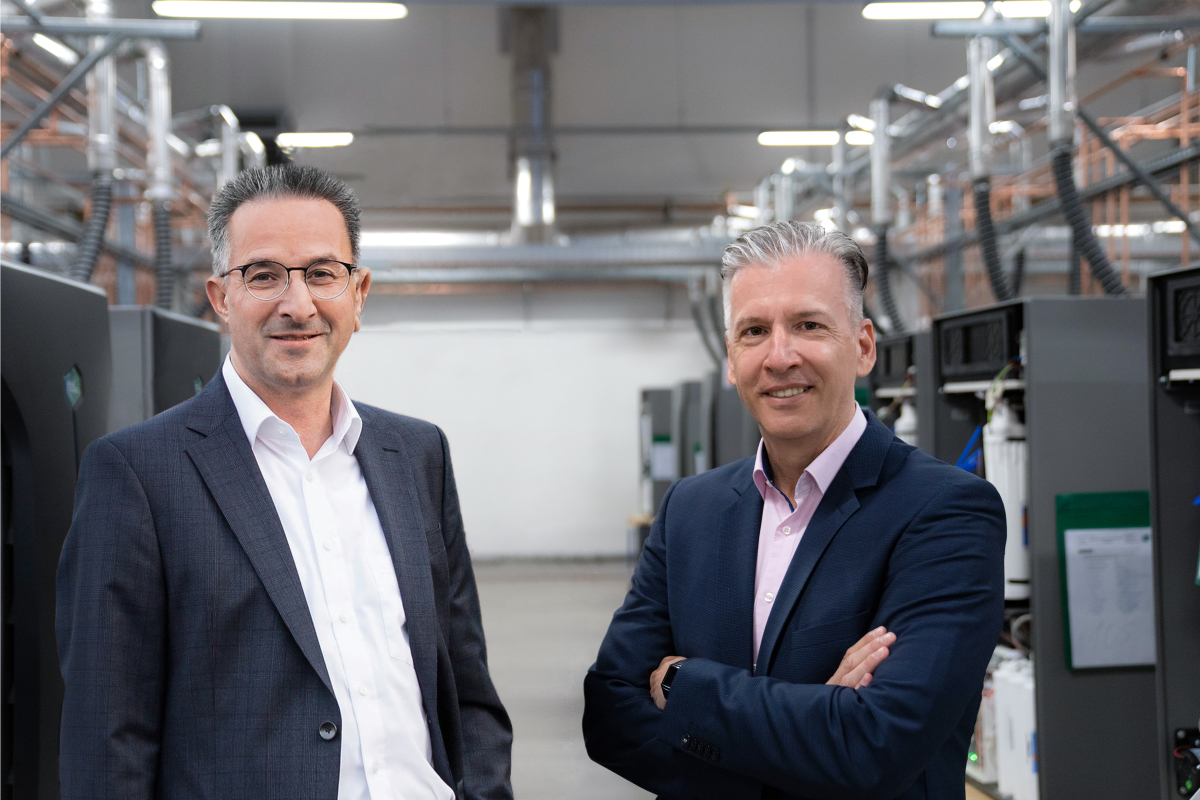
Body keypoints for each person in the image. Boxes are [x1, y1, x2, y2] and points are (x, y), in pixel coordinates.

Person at [57, 164, 512, 800]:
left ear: (358, 293)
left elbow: (465, 684)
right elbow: (107, 741)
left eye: (322, 273)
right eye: (264, 275)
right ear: (221, 297)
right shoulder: (137, 474)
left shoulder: (416, 455)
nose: (297, 305)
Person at [582, 221, 1005, 800]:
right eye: (754, 331)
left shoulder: (946, 512)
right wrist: (816, 722)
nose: (779, 357)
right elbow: (609, 715)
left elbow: (874, 745)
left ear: (863, 346)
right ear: (731, 359)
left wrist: (684, 684)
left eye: (809, 325)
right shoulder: (690, 510)